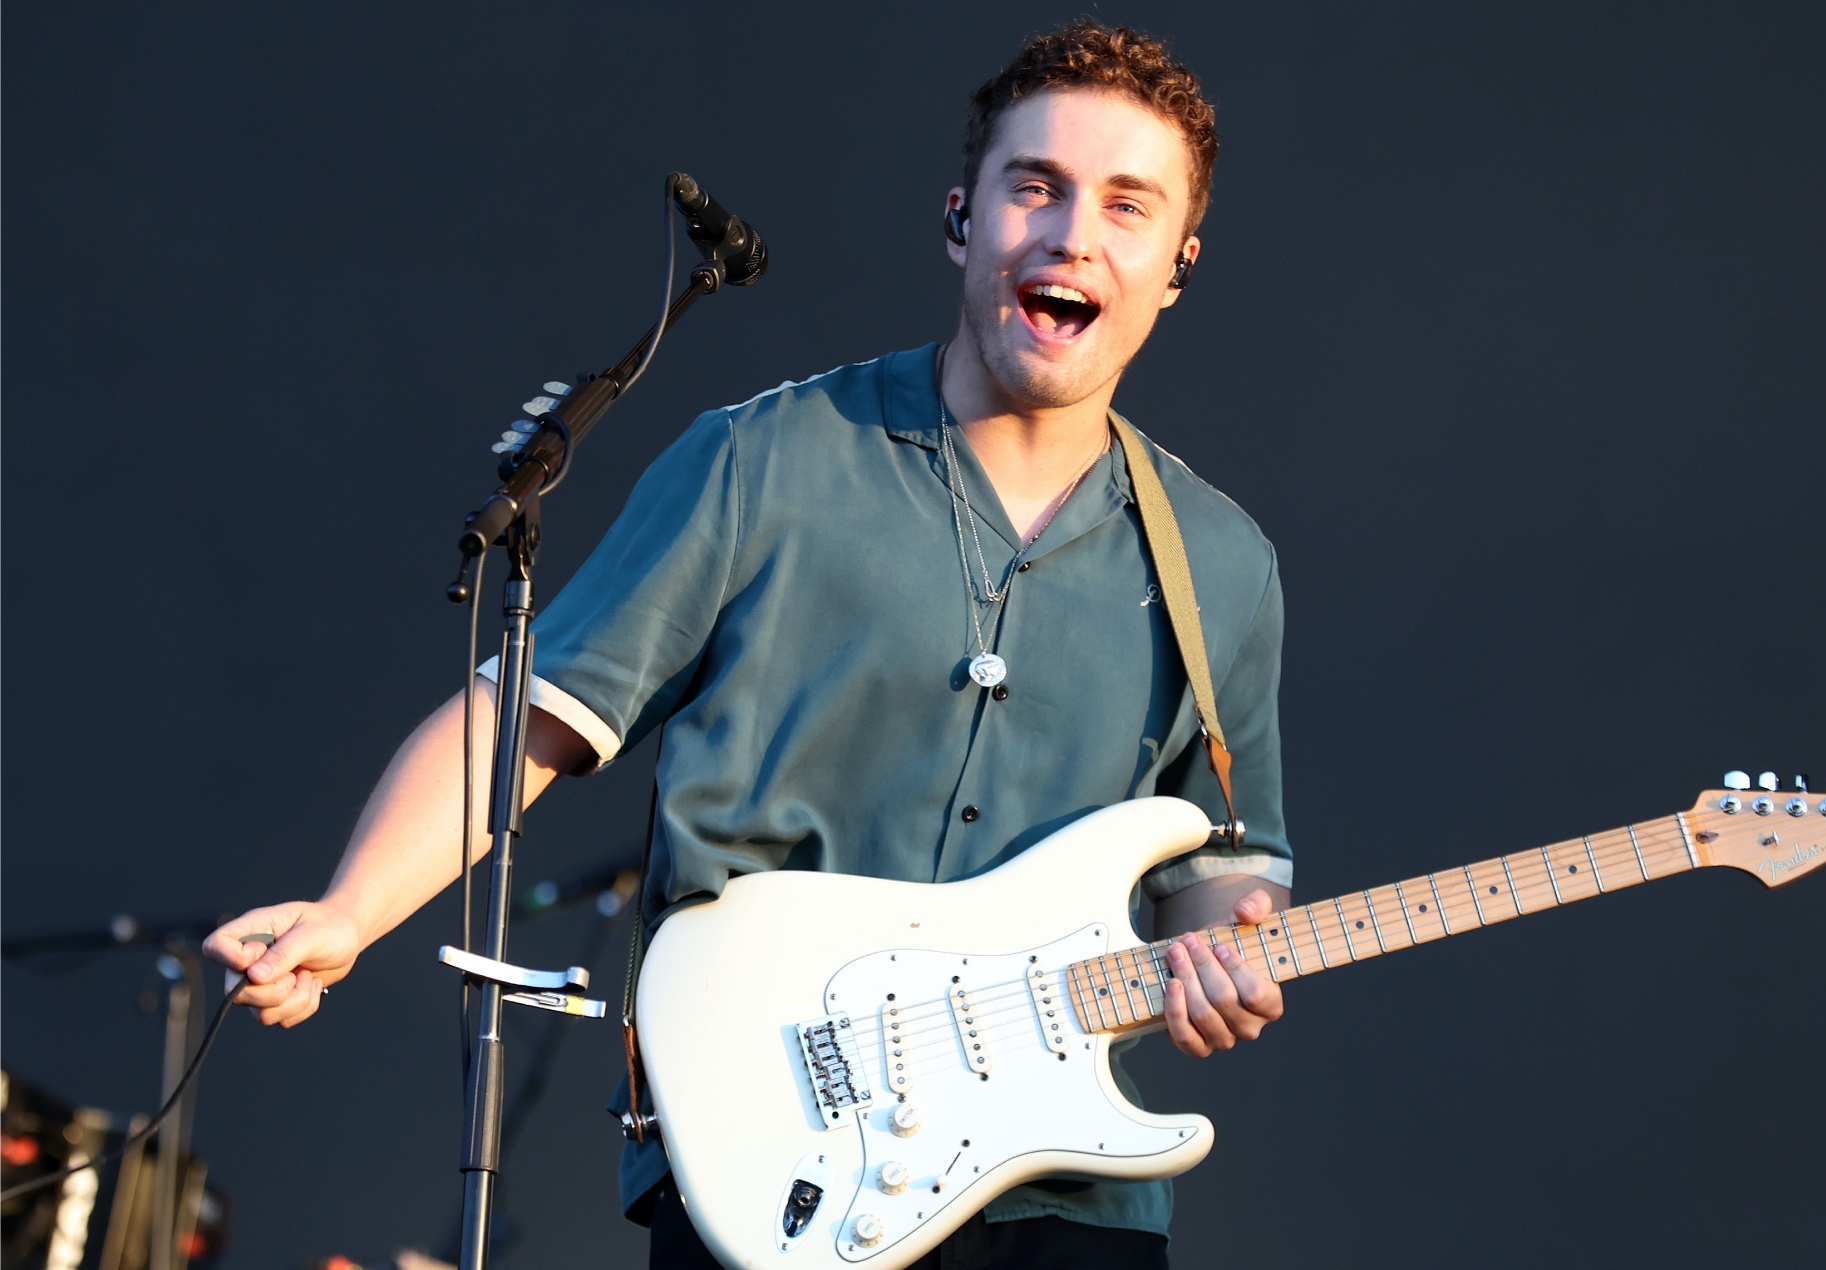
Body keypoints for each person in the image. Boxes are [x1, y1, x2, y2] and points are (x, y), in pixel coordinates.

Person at [205, 20, 1290, 1269]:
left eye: (1125, 205)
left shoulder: (1221, 562)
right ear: (959, 217)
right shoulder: (760, 460)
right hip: (773, 1167)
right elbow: (528, 717)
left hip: (1062, 1202)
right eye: (1032, 186)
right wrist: (347, 912)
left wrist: (1227, 945)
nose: (1070, 234)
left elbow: (1227, 851)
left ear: (1176, 268)